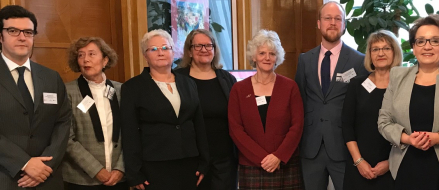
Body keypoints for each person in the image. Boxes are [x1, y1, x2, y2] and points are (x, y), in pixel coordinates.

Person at [0, 5, 72, 189]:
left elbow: (63, 122)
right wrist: (26, 163)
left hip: (46, 178)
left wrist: (45, 166)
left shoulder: (51, 77)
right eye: (13, 31)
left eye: (28, 32)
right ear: (0, 36)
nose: (22, 37)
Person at [378, 14, 439, 190]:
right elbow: (384, 121)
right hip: (406, 165)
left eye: (435, 41)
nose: (427, 46)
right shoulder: (398, 76)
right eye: (421, 41)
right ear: (414, 48)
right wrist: (407, 138)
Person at [121, 29, 210, 190]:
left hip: (189, 162)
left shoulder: (188, 83)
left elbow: (198, 124)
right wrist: (134, 173)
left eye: (165, 48)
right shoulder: (132, 88)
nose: (160, 53)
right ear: (145, 55)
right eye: (153, 49)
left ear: (173, 51)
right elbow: (129, 133)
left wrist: (204, 161)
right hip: (154, 166)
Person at [294, 1, 367, 190]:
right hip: (311, 148)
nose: (332, 23)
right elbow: (298, 101)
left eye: (337, 19)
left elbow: (362, 107)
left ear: (344, 24)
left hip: (344, 148)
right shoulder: (304, 60)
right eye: (327, 18)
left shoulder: (358, 61)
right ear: (319, 23)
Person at [228, 30, 304, 189]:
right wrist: (262, 158)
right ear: (253, 57)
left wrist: (278, 156)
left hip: (284, 164)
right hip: (252, 165)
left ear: (278, 57)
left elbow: (297, 126)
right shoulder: (239, 89)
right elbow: (236, 129)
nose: (267, 58)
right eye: (262, 53)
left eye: (272, 53)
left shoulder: (290, 87)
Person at [175, 29, 238, 190]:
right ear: (189, 51)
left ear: (215, 50)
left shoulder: (226, 78)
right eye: (198, 46)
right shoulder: (177, 78)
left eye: (209, 45)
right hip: (191, 157)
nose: (204, 50)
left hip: (224, 159)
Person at [62, 37, 128, 190]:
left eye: (92, 54)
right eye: (81, 55)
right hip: (81, 180)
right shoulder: (67, 92)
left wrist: (120, 168)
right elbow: (66, 137)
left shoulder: (121, 90)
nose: (86, 60)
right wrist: (96, 170)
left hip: (118, 178)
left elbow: (131, 133)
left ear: (105, 60)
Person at [341, 30, 403, 190]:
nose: (380, 53)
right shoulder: (357, 84)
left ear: (395, 52)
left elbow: (410, 128)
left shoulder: (404, 86)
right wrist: (359, 161)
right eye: (375, 49)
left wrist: (390, 163)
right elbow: (347, 125)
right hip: (359, 166)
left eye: (386, 48)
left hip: (394, 167)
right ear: (369, 54)